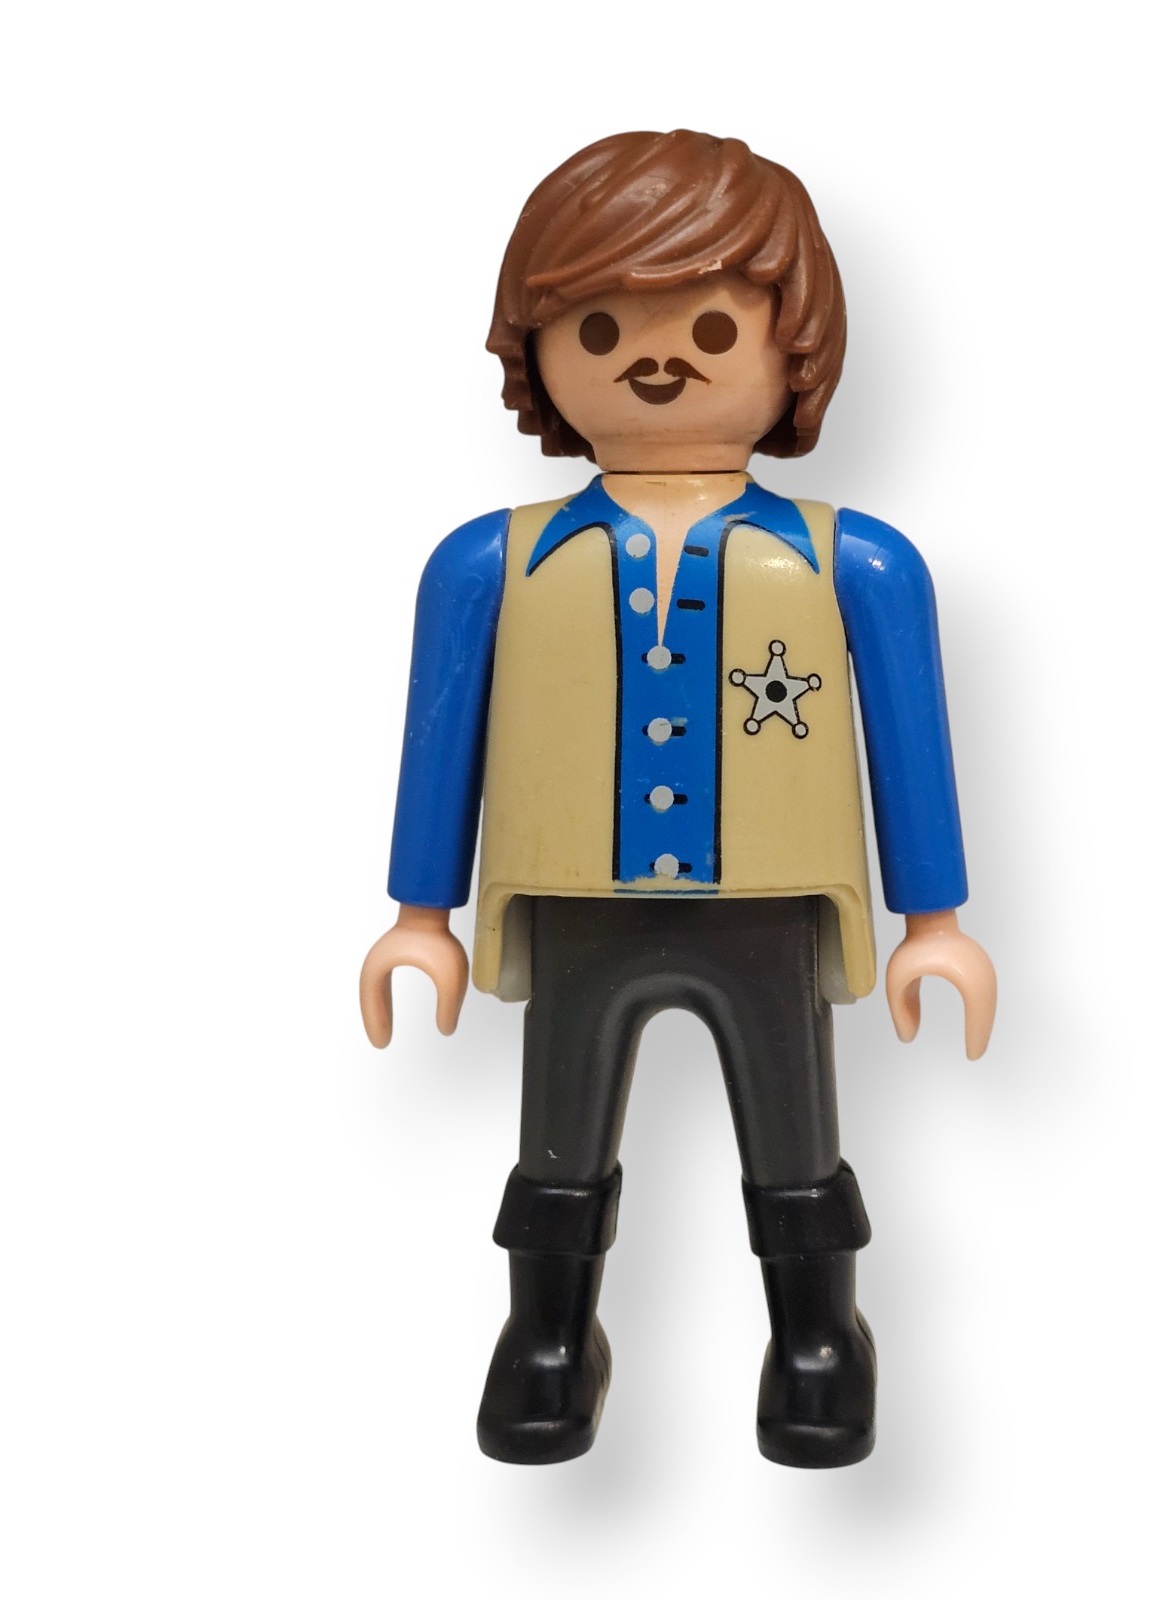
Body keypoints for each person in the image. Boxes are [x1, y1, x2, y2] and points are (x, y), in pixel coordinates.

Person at [359, 129, 996, 1468]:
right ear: (536, 348)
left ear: (795, 344)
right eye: (600, 327)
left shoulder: (853, 562)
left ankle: (819, 1335)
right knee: (559, 1138)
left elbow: (910, 737)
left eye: (712, 326)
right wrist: (420, 914)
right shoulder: (488, 564)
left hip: (771, 906)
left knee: (794, 1134)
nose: (659, 363)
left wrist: (934, 921)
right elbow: (440, 736)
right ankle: (548, 1334)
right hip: (574, 904)